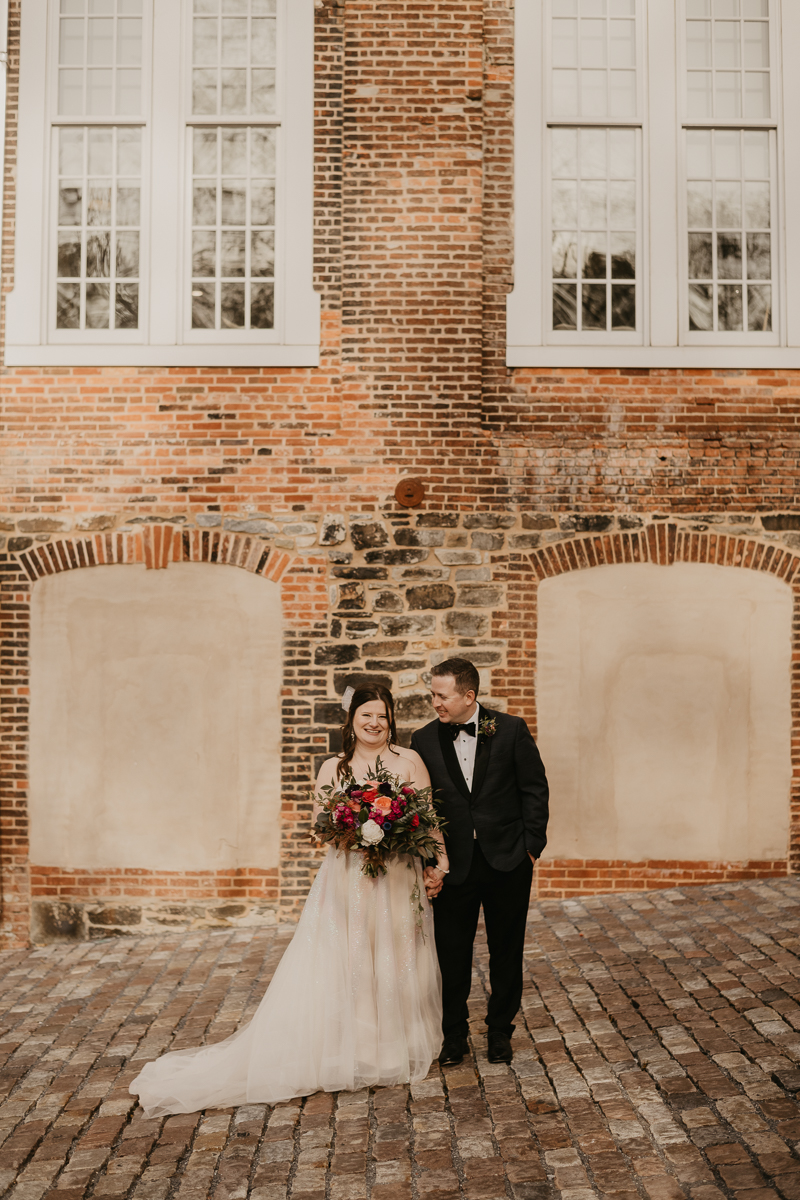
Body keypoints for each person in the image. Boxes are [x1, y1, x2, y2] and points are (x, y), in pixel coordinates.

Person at [129, 684, 447, 1117]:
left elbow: (428, 821)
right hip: (350, 876)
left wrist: (438, 863)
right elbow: (323, 827)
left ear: (392, 720)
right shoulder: (333, 768)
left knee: (397, 954)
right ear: (351, 719)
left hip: (397, 875)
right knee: (351, 958)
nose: (375, 724)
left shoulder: (408, 760)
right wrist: (359, 830)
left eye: (383, 716)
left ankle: (394, 1047)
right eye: (367, 715)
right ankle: (358, 1047)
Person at [411, 658, 549, 1067]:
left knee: (507, 950)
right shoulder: (423, 741)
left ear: (468, 696)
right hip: (454, 866)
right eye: (432, 694)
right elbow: (422, 806)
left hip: (508, 860)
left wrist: (531, 847)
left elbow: (535, 790)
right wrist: (430, 860)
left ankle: (500, 1031)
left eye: (441, 695)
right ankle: (453, 1035)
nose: (434, 702)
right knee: (450, 953)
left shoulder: (510, 730)